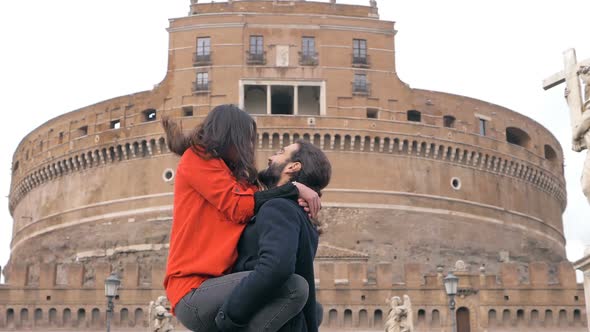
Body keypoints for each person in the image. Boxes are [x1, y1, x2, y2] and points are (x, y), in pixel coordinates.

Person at [162, 104, 321, 332]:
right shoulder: (196, 159)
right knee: (293, 288)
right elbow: (238, 206)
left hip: (222, 286)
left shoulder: (240, 181)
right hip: (193, 288)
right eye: (247, 139)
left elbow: (259, 202)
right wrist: (294, 189)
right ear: (230, 136)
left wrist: (297, 201)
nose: (250, 147)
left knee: (308, 306)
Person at [215, 140, 332, 332]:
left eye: (280, 153)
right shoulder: (298, 214)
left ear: (293, 166)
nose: (270, 157)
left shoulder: (279, 207)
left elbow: (276, 267)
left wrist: (229, 316)